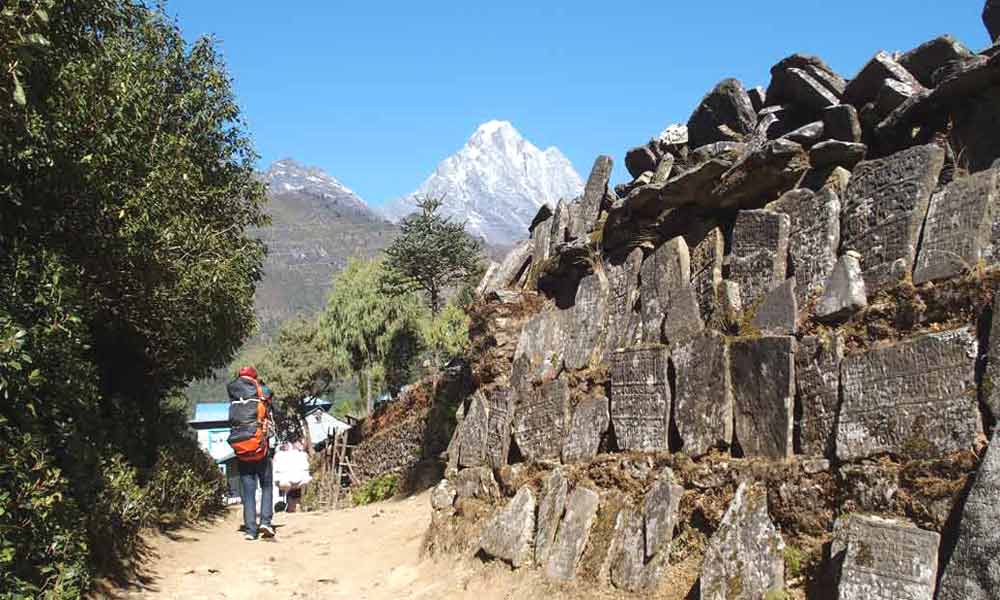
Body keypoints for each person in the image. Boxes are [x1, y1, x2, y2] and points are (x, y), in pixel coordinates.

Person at [227, 365, 276, 541]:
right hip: (260, 448)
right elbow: (271, 399)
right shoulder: (261, 391)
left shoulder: (234, 393)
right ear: (254, 378)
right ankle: (265, 522)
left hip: (241, 449)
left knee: (248, 491)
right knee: (267, 485)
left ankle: (250, 530)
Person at [273, 440, 312, 512]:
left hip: (284, 482)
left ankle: (291, 506)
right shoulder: (303, 454)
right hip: (302, 480)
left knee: (288, 484)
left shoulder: (278, 455)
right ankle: (296, 505)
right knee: (296, 484)